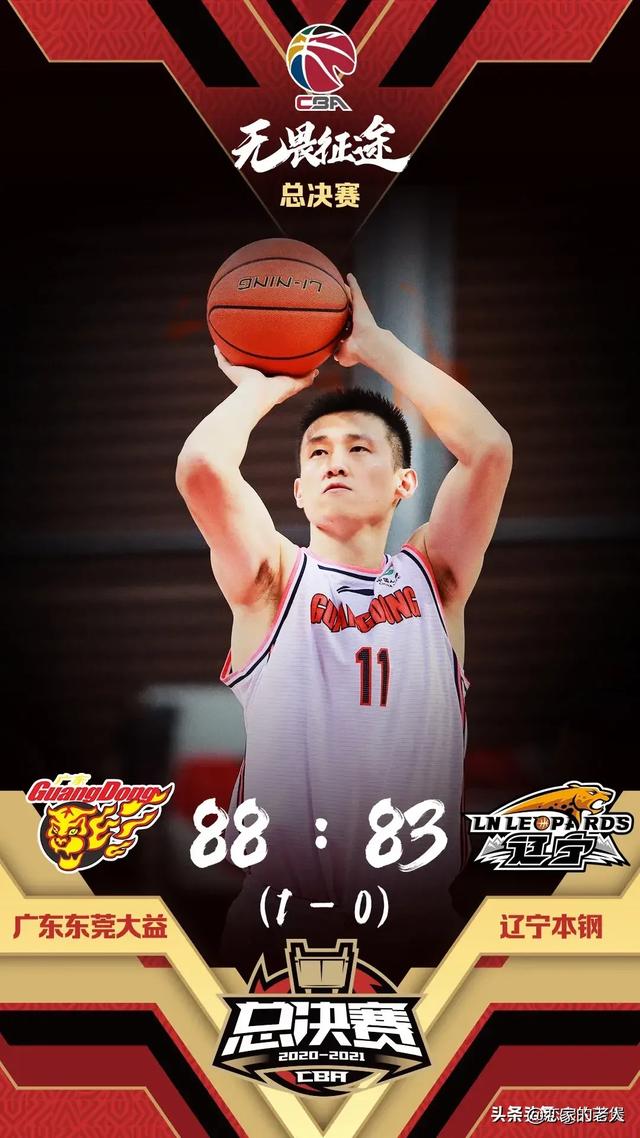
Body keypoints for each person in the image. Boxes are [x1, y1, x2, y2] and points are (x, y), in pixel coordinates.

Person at [176, 274, 512, 977]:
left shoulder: (435, 579)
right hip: (279, 933)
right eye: (318, 452)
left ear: (404, 484)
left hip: (418, 932)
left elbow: (489, 449)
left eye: (360, 449)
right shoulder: (273, 581)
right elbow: (203, 466)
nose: (336, 461)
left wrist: (378, 348)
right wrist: (265, 386)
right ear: (298, 492)